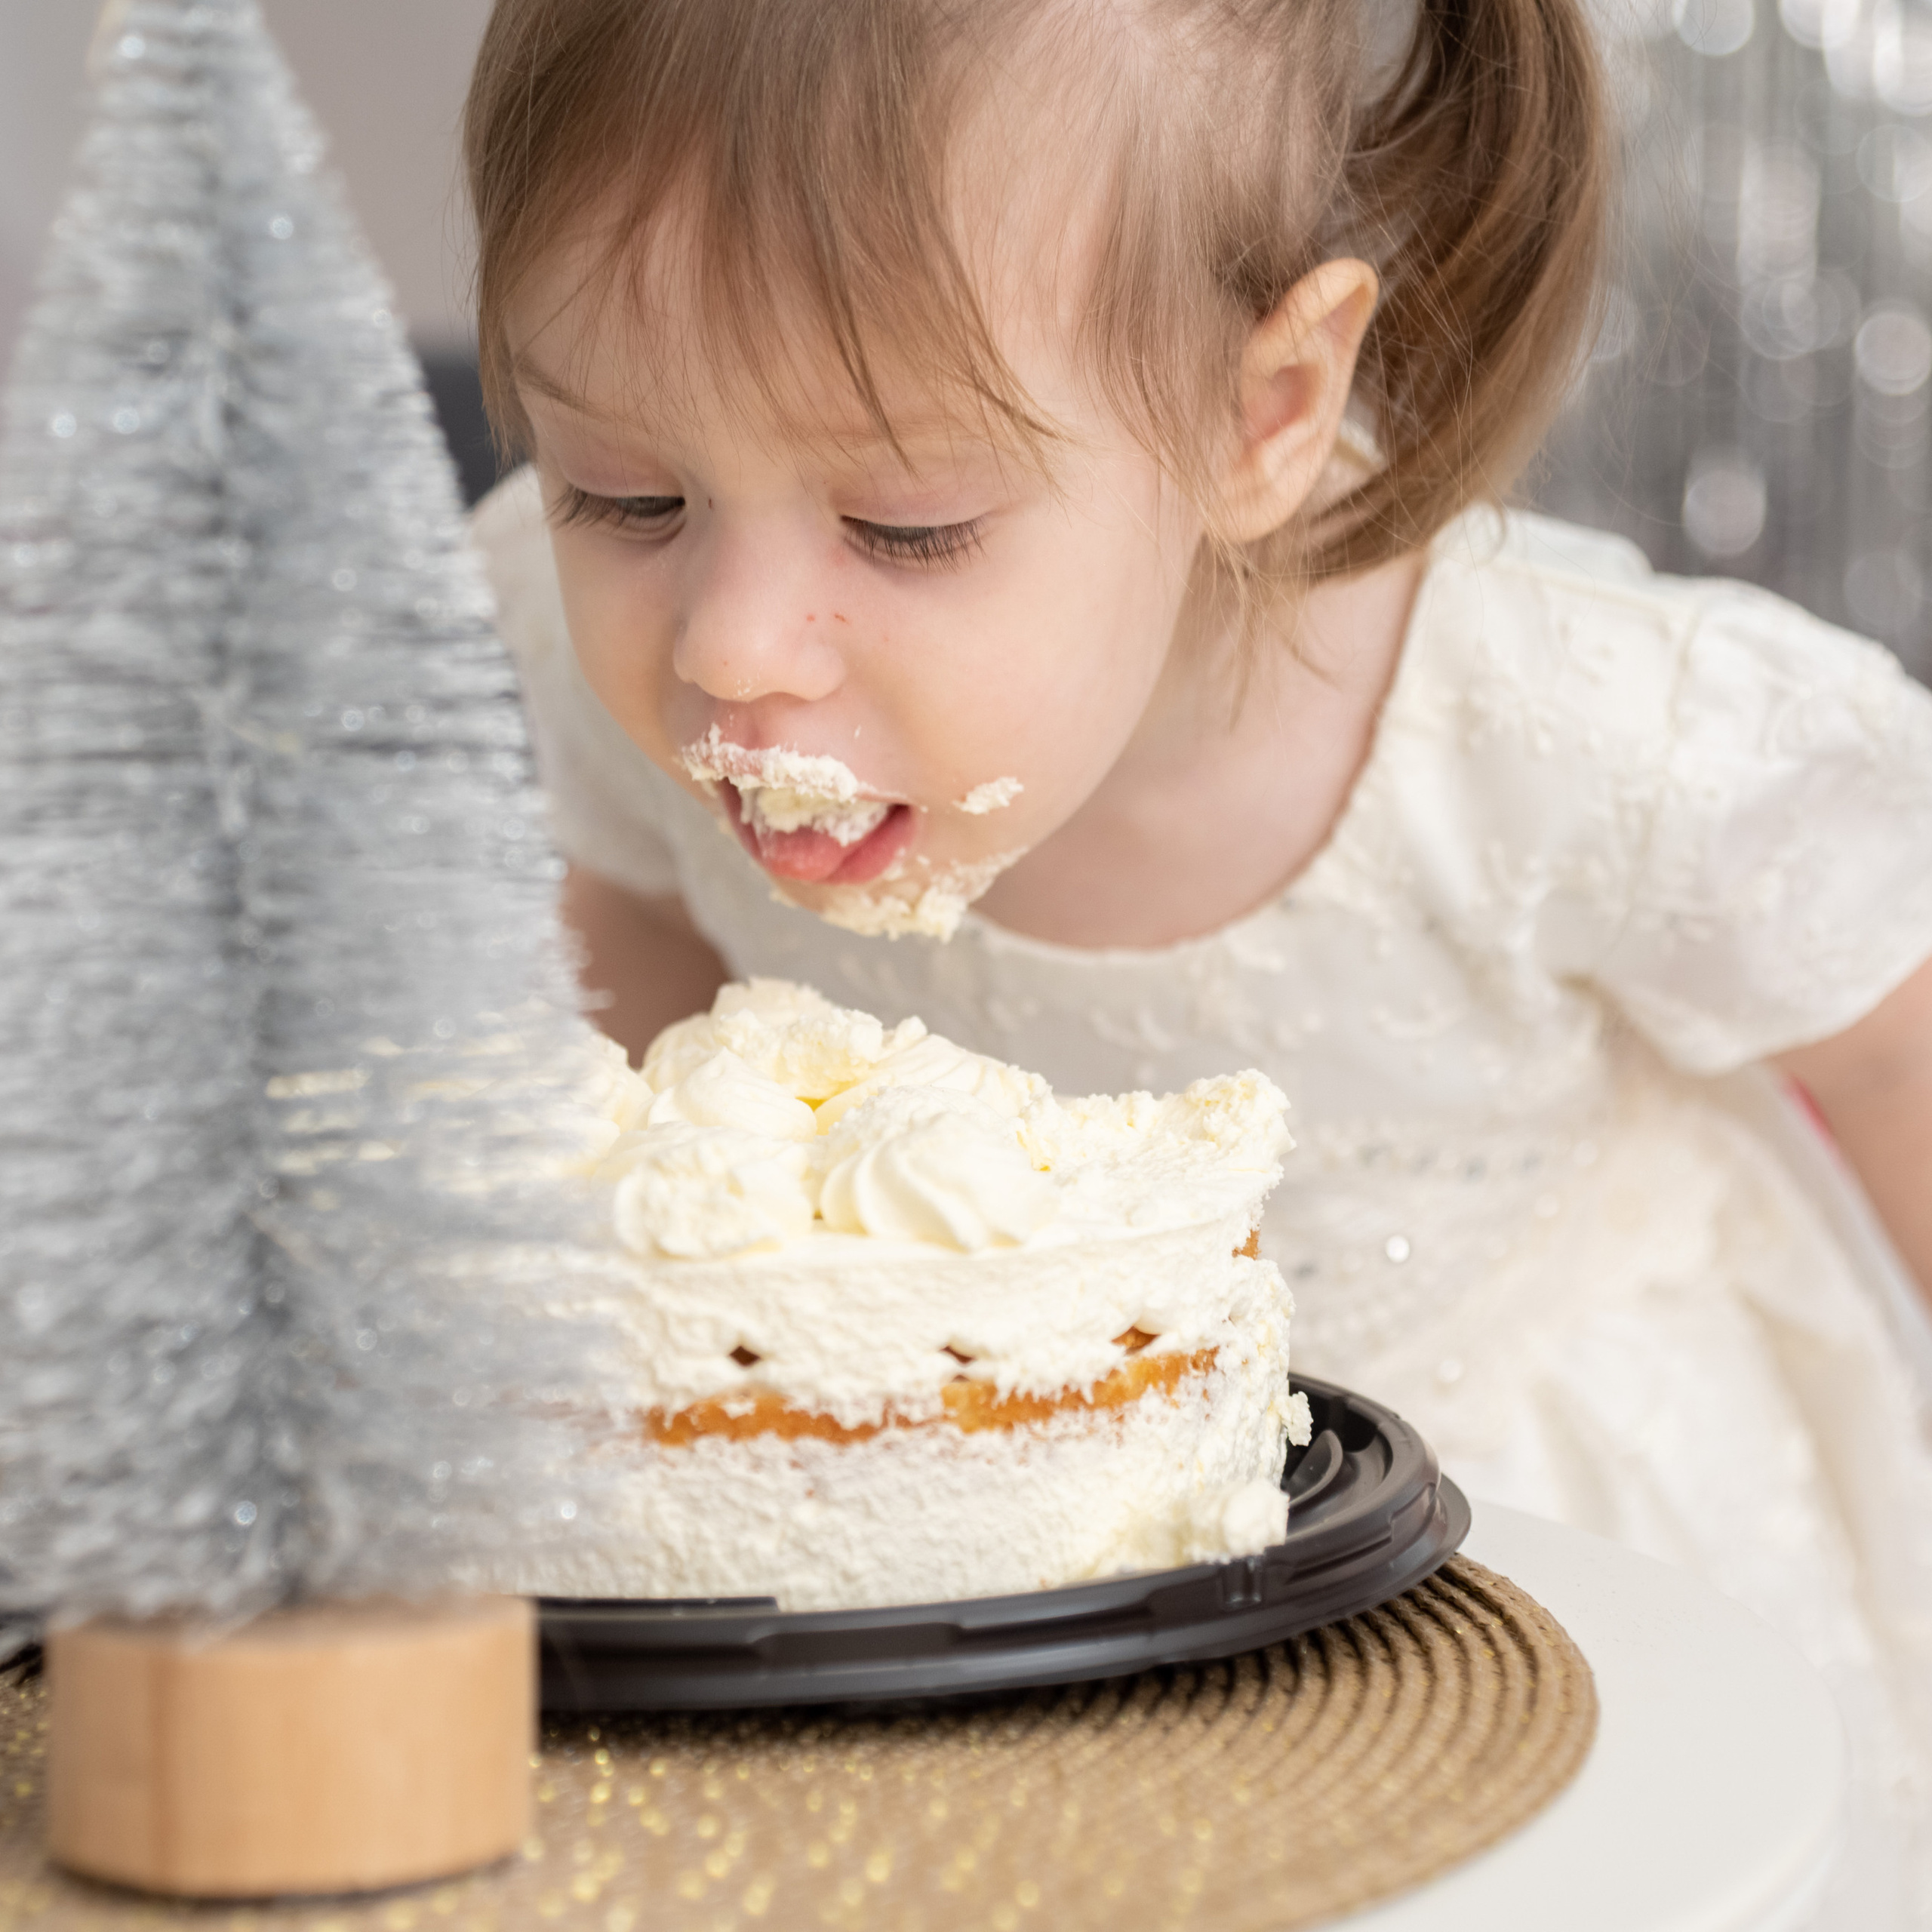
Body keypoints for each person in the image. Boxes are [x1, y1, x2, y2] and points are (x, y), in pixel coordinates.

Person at [460, 0, 1932, 1918]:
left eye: (905, 524)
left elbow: (1896, 1042)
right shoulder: (596, 664)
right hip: (970, 1582)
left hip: (1562, 1550)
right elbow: (631, 1038)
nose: (731, 646)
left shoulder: (1580, 738)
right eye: (624, 494)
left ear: (1264, 412)